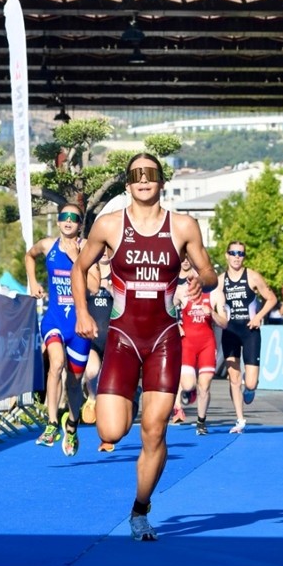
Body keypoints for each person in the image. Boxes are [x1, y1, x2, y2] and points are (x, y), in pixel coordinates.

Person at [72, 153, 217, 541]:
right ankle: (117, 400)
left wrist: (203, 279)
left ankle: (140, 508)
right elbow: (79, 267)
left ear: (161, 182)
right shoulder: (109, 225)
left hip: (164, 339)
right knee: (111, 429)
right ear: (126, 184)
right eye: (136, 175)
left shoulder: (183, 225)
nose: (143, 181)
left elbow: (208, 270)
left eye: (150, 174)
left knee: (154, 431)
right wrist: (82, 314)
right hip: (122, 338)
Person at [25, 201, 100, 456]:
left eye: (74, 218)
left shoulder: (89, 249)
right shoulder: (48, 245)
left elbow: (93, 288)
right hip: (55, 319)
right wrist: (33, 281)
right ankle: (52, 423)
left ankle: (72, 424)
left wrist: (78, 261)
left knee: (75, 384)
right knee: (56, 364)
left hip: (79, 326)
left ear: (80, 225)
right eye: (64, 217)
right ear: (58, 221)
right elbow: (29, 255)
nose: (68, 221)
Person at [217, 241, 277, 435]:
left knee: (249, 383)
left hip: (250, 331)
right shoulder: (220, 281)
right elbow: (215, 305)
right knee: (234, 378)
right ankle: (240, 420)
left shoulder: (252, 276)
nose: (237, 256)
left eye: (240, 254)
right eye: (233, 253)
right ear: (226, 255)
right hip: (230, 332)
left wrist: (259, 317)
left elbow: (272, 298)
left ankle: (250, 389)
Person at [172, 260, 228, 435]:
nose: (193, 275)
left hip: (206, 343)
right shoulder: (181, 291)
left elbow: (225, 323)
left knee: (205, 385)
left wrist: (211, 313)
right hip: (187, 343)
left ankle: (201, 422)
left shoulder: (215, 294)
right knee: (188, 385)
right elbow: (166, 309)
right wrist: (177, 326)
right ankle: (191, 390)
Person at [80, 250, 114, 441]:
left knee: (110, 383)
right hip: (92, 338)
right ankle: (92, 398)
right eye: (100, 250)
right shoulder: (87, 274)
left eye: (108, 250)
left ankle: (108, 425)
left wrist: (111, 290)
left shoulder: (118, 275)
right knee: (92, 371)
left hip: (112, 340)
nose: (104, 253)